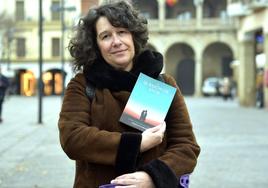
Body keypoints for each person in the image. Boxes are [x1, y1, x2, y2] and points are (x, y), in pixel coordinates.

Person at [58, 1, 200, 188]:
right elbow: (72, 138)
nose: (116, 41)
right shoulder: (83, 84)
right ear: (96, 45)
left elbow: (186, 146)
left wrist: (153, 177)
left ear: (133, 36)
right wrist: (137, 143)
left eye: (122, 32)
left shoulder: (162, 84)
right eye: (106, 36)